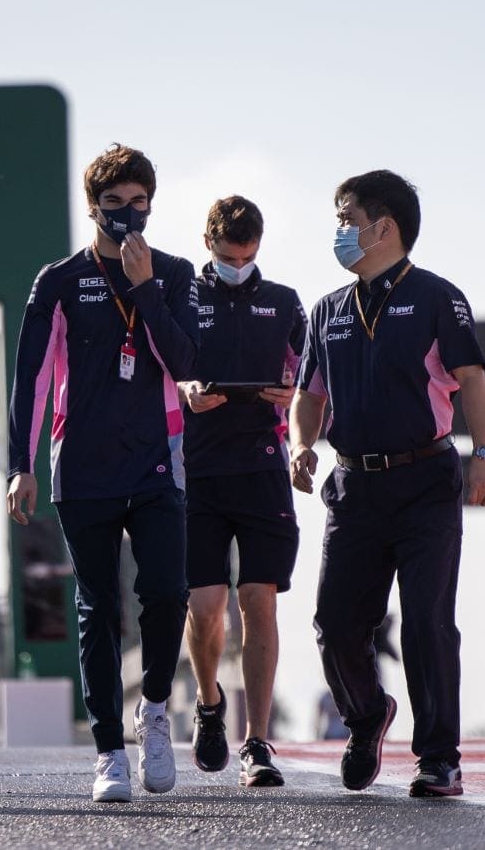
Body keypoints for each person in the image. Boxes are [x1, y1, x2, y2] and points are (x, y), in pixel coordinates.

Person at [288, 170, 485, 799]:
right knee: (334, 622)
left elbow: (473, 380)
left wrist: (484, 455)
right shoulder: (326, 309)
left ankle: (439, 758)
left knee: (427, 623)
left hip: (426, 483)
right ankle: (366, 716)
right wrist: (302, 445)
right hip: (353, 488)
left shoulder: (438, 297)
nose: (339, 230)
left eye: (346, 217)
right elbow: (308, 393)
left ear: (384, 227)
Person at [6, 144, 200, 803]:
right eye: (113, 203)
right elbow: (30, 378)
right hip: (82, 468)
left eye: (137, 202)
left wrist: (144, 290)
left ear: (151, 203)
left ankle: (153, 709)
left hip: (154, 462)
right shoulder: (58, 281)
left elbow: (185, 360)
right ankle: (109, 751)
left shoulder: (174, 273)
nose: (126, 214)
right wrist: (19, 465)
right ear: (92, 206)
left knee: (167, 592)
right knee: (97, 609)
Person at [178, 195, 305, 787]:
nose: (239, 265)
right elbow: (163, 365)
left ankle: (257, 743)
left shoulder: (284, 303)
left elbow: (307, 378)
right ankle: (209, 706)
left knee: (259, 599)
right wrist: (185, 389)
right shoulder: (183, 294)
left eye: (249, 256)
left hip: (261, 468)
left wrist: (292, 397)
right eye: (229, 256)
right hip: (196, 470)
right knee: (205, 609)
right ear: (210, 245)